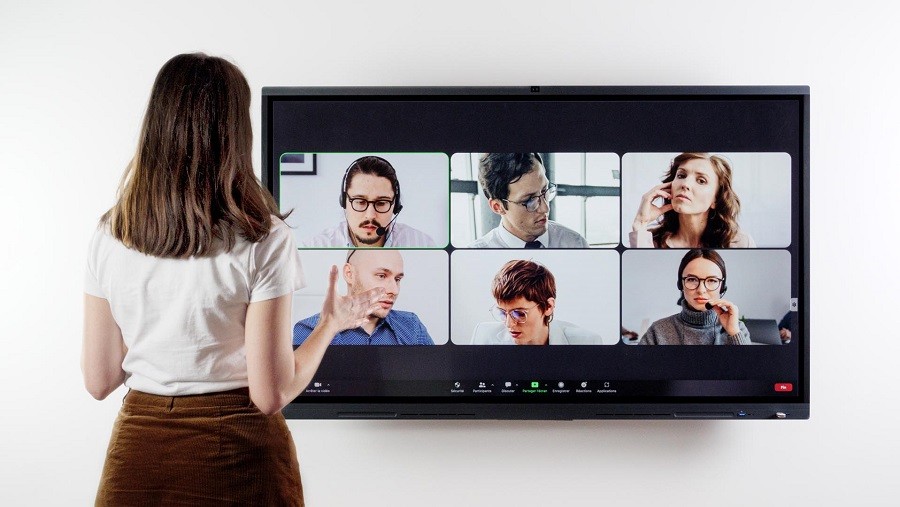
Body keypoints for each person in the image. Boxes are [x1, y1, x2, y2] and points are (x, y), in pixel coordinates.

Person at [82, 53, 385, 505]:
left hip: (138, 455)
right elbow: (270, 394)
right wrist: (329, 325)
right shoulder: (264, 235)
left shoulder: (112, 232)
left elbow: (99, 378)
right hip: (240, 451)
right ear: (236, 132)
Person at [293, 249, 434, 345]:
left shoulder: (412, 327)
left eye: (397, 279)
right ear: (349, 274)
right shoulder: (309, 330)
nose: (394, 290)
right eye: (381, 276)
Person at [302, 155, 436, 247]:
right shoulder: (314, 247)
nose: (370, 215)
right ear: (344, 201)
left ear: (395, 205)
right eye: (360, 201)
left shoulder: (423, 244)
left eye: (381, 203)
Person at [630, 152, 756, 248]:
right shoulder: (649, 239)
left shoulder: (741, 243)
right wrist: (641, 224)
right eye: (681, 175)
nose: (685, 184)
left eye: (701, 181)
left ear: (716, 199)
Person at [469, 153, 589, 248]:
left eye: (545, 191)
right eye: (529, 200)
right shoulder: (473, 258)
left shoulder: (575, 244)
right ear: (497, 207)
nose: (545, 208)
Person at [470, 260, 602, 345]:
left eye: (519, 313)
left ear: (548, 307)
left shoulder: (587, 342)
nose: (508, 324)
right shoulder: (483, 336)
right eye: (502, 313)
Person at [638, 249, 750, 345]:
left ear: (722, 287)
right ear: (680, 284)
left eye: (712, 280)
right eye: (692, 279)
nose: (701, 290)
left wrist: (734, 334)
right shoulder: (657, 331)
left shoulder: (738, 328)